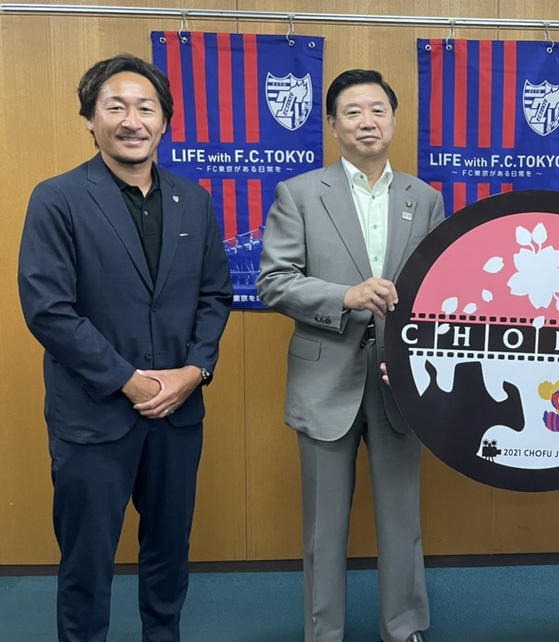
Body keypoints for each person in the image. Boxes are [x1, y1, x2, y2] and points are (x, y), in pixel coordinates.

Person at [17, 53, 233, 642]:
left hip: (177, 412)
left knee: (169, 553)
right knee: (86, 563)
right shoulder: (57, 198)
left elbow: (215, 294)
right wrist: (127, 379)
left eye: (146, 108)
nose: (131, 120)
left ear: (165, 121)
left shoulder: (194, 199)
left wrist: (195, 371)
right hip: (93, 415)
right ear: (90, 119)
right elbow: (49, 309)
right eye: (115, 107)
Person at [257, 68, 445, 642]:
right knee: (323, 527)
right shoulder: (299, 193)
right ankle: (324, 633)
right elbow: (274, 282)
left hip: (401, 381)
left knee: (402, 518)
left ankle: (405, 627)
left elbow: (438, 293)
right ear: (333, 125)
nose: (367, 121)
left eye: (378, 110)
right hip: (325, 380)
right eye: (353, 112)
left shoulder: (425, 198)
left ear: (394, 120)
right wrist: (346, 296)